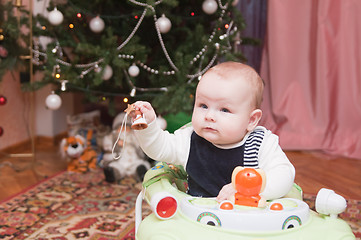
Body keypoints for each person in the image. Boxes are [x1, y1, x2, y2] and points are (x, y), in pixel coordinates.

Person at [131, 61, 295, 202]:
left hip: (246, 217)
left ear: (251, 120)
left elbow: (284, 175)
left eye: (224, 110)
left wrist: (247, 187)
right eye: (203, 106)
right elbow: (160, 149)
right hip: (199, 219)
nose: (209, 116)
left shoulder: (261, 144)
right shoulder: (189, 139)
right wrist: (148, 125)